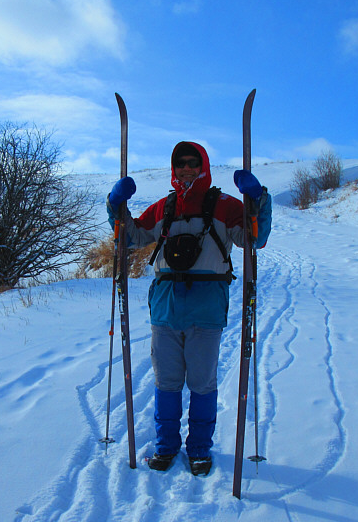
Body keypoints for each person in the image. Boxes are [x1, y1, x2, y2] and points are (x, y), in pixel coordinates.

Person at [106, 141, 272, 476]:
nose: (185, 168)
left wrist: (258, 200)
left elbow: (255, 237)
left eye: (192, 162)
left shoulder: (224, 205)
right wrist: (115, 207)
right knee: (166, 382)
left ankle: (199, 449)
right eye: (180, 163)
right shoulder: (165, 206)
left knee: (201, 382)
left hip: (206, 309)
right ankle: (166, 447)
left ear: (203, 166)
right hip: (165, 308)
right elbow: (131, 237)